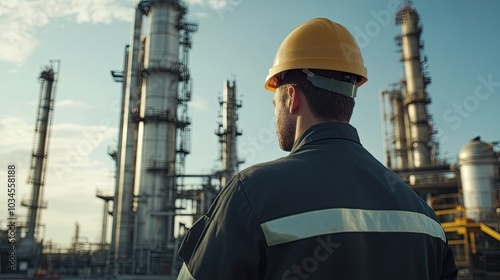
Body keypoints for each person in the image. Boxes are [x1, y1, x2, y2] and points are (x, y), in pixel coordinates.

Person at [177, 17, 457, 280]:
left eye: (275, 103)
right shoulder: (425, 218)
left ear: (292, 97)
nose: (275, 112)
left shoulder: (249, 195)